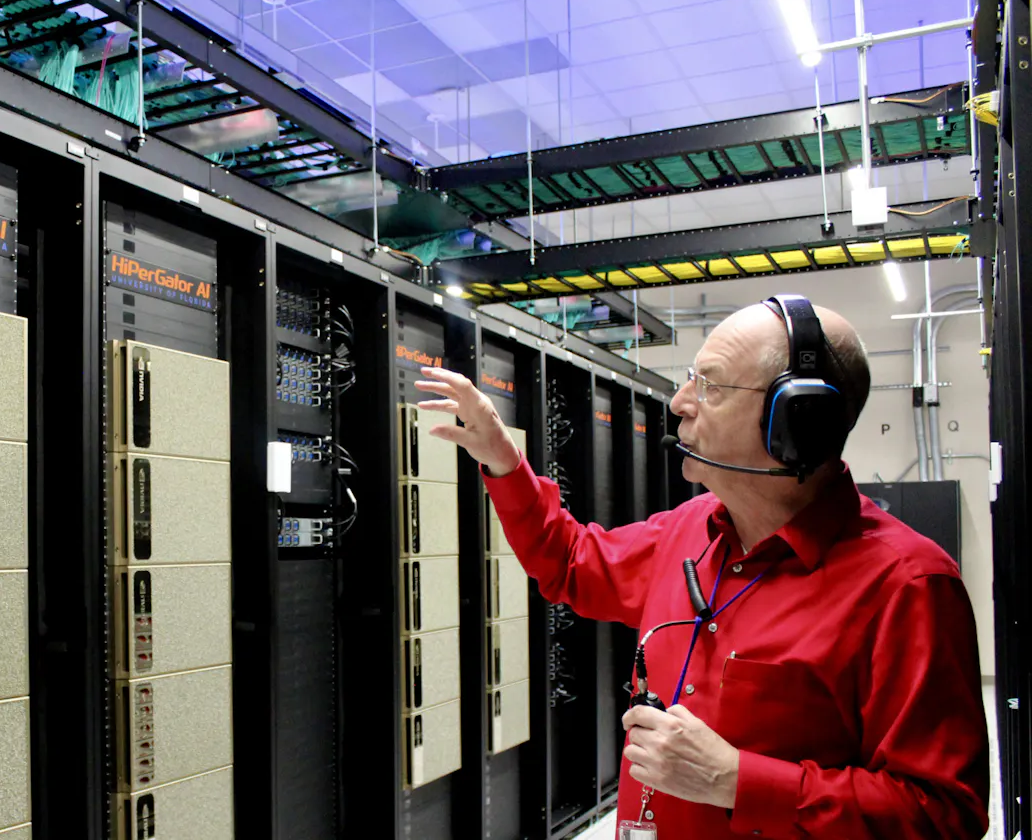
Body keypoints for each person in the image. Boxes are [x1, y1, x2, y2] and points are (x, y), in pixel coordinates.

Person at [416, 295, 989, 838]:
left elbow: (944, 815)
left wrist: (741, 782)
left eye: (709, 385)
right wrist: (502, 459)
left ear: (796, 421)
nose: (680, 401)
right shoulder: (690, 529)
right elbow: (571, 562)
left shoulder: (907, 585)